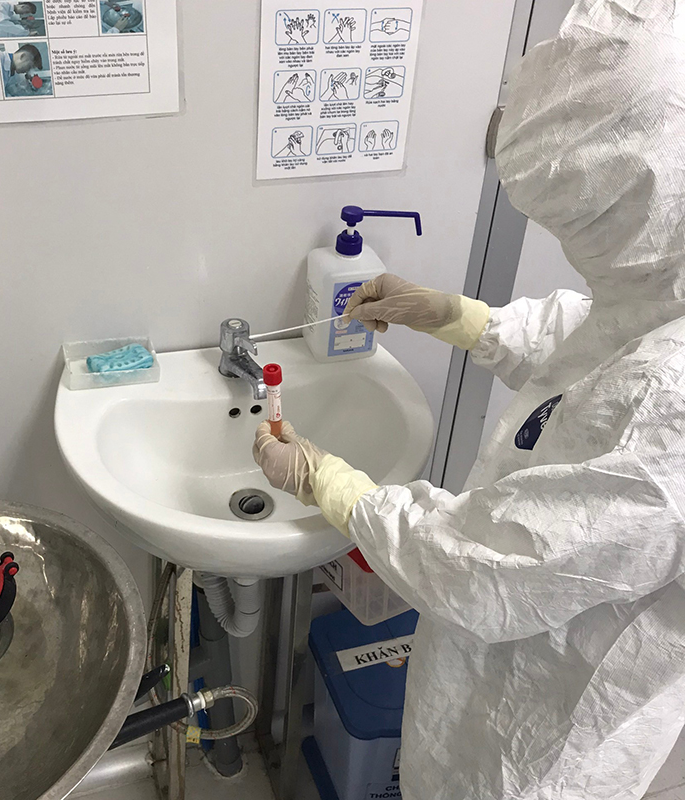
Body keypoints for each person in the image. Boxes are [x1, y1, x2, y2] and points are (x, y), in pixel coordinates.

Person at [253, 2, 685, 798]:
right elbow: (595, 337)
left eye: (581, 223)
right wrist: (456, 316)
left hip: (537, 742)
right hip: (500, 676)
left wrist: (331, 484)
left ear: (637, 202)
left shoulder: (672, 415)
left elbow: (491, 565)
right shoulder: (664, 292)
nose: (570, 245)